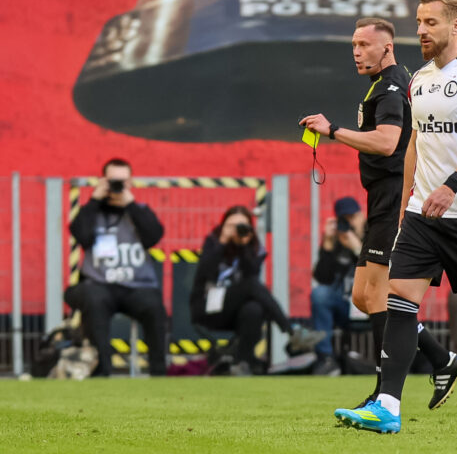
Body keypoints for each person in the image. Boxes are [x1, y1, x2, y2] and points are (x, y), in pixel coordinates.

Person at [334, 0, 457, 434]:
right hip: (423, 215)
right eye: (419, 22)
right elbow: (415, 145)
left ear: (455, 25)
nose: (421, 30)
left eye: (431, 22)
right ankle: (387, 406)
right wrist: (407, 207)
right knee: (398, 300)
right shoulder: (418, 79)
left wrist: (451, 186)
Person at [301, 17, 457, 407]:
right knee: (363, 296)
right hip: (381, 201)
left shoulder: (390, 88)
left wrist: (333, 130)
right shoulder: (385, 84)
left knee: (381, 299)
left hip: (394, 198)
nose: (357, 52)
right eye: (354, 45)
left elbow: (389, 142)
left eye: (364, 45)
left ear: (386, 47)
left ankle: (383, 395)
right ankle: (442, 360)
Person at [190, 205, 325, 374]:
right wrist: (223, 241)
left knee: (254, 309)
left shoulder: (251, 247)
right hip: (207, 306)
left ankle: (242, 363)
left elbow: (251, 273)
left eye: (242, 226)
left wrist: (244, 246)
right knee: (252, 285)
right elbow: (204, 273)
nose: (236, 230)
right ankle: (291, 330)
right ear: (224, 225)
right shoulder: (213, 241)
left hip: (235, 310)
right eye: (232, 225)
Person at [65, 158, 167, 376]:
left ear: (131, 182)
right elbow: (80, 234)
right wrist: (95, 199)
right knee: (94, 300)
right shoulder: (92, 212)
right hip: (101, 284)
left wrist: (129, 203)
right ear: (103, 180)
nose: (117, 186)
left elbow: (153, 236)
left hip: (137, 286)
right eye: (113, 181)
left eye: (122, 181)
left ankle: (159, 371)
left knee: (155, 306)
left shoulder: (140, 211)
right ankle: (102, 369)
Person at [310, 197, 366, 375]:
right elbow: (322, 278)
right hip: (343, 304)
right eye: (344, 219)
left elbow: (382, 273)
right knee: (319, 294)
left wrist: (358, 248)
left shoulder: (374, 234)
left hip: (369, 304)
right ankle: (326, 358)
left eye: (352, 217)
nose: (348, 223)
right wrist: (327, 246)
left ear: (361, 216)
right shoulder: (334, 242)